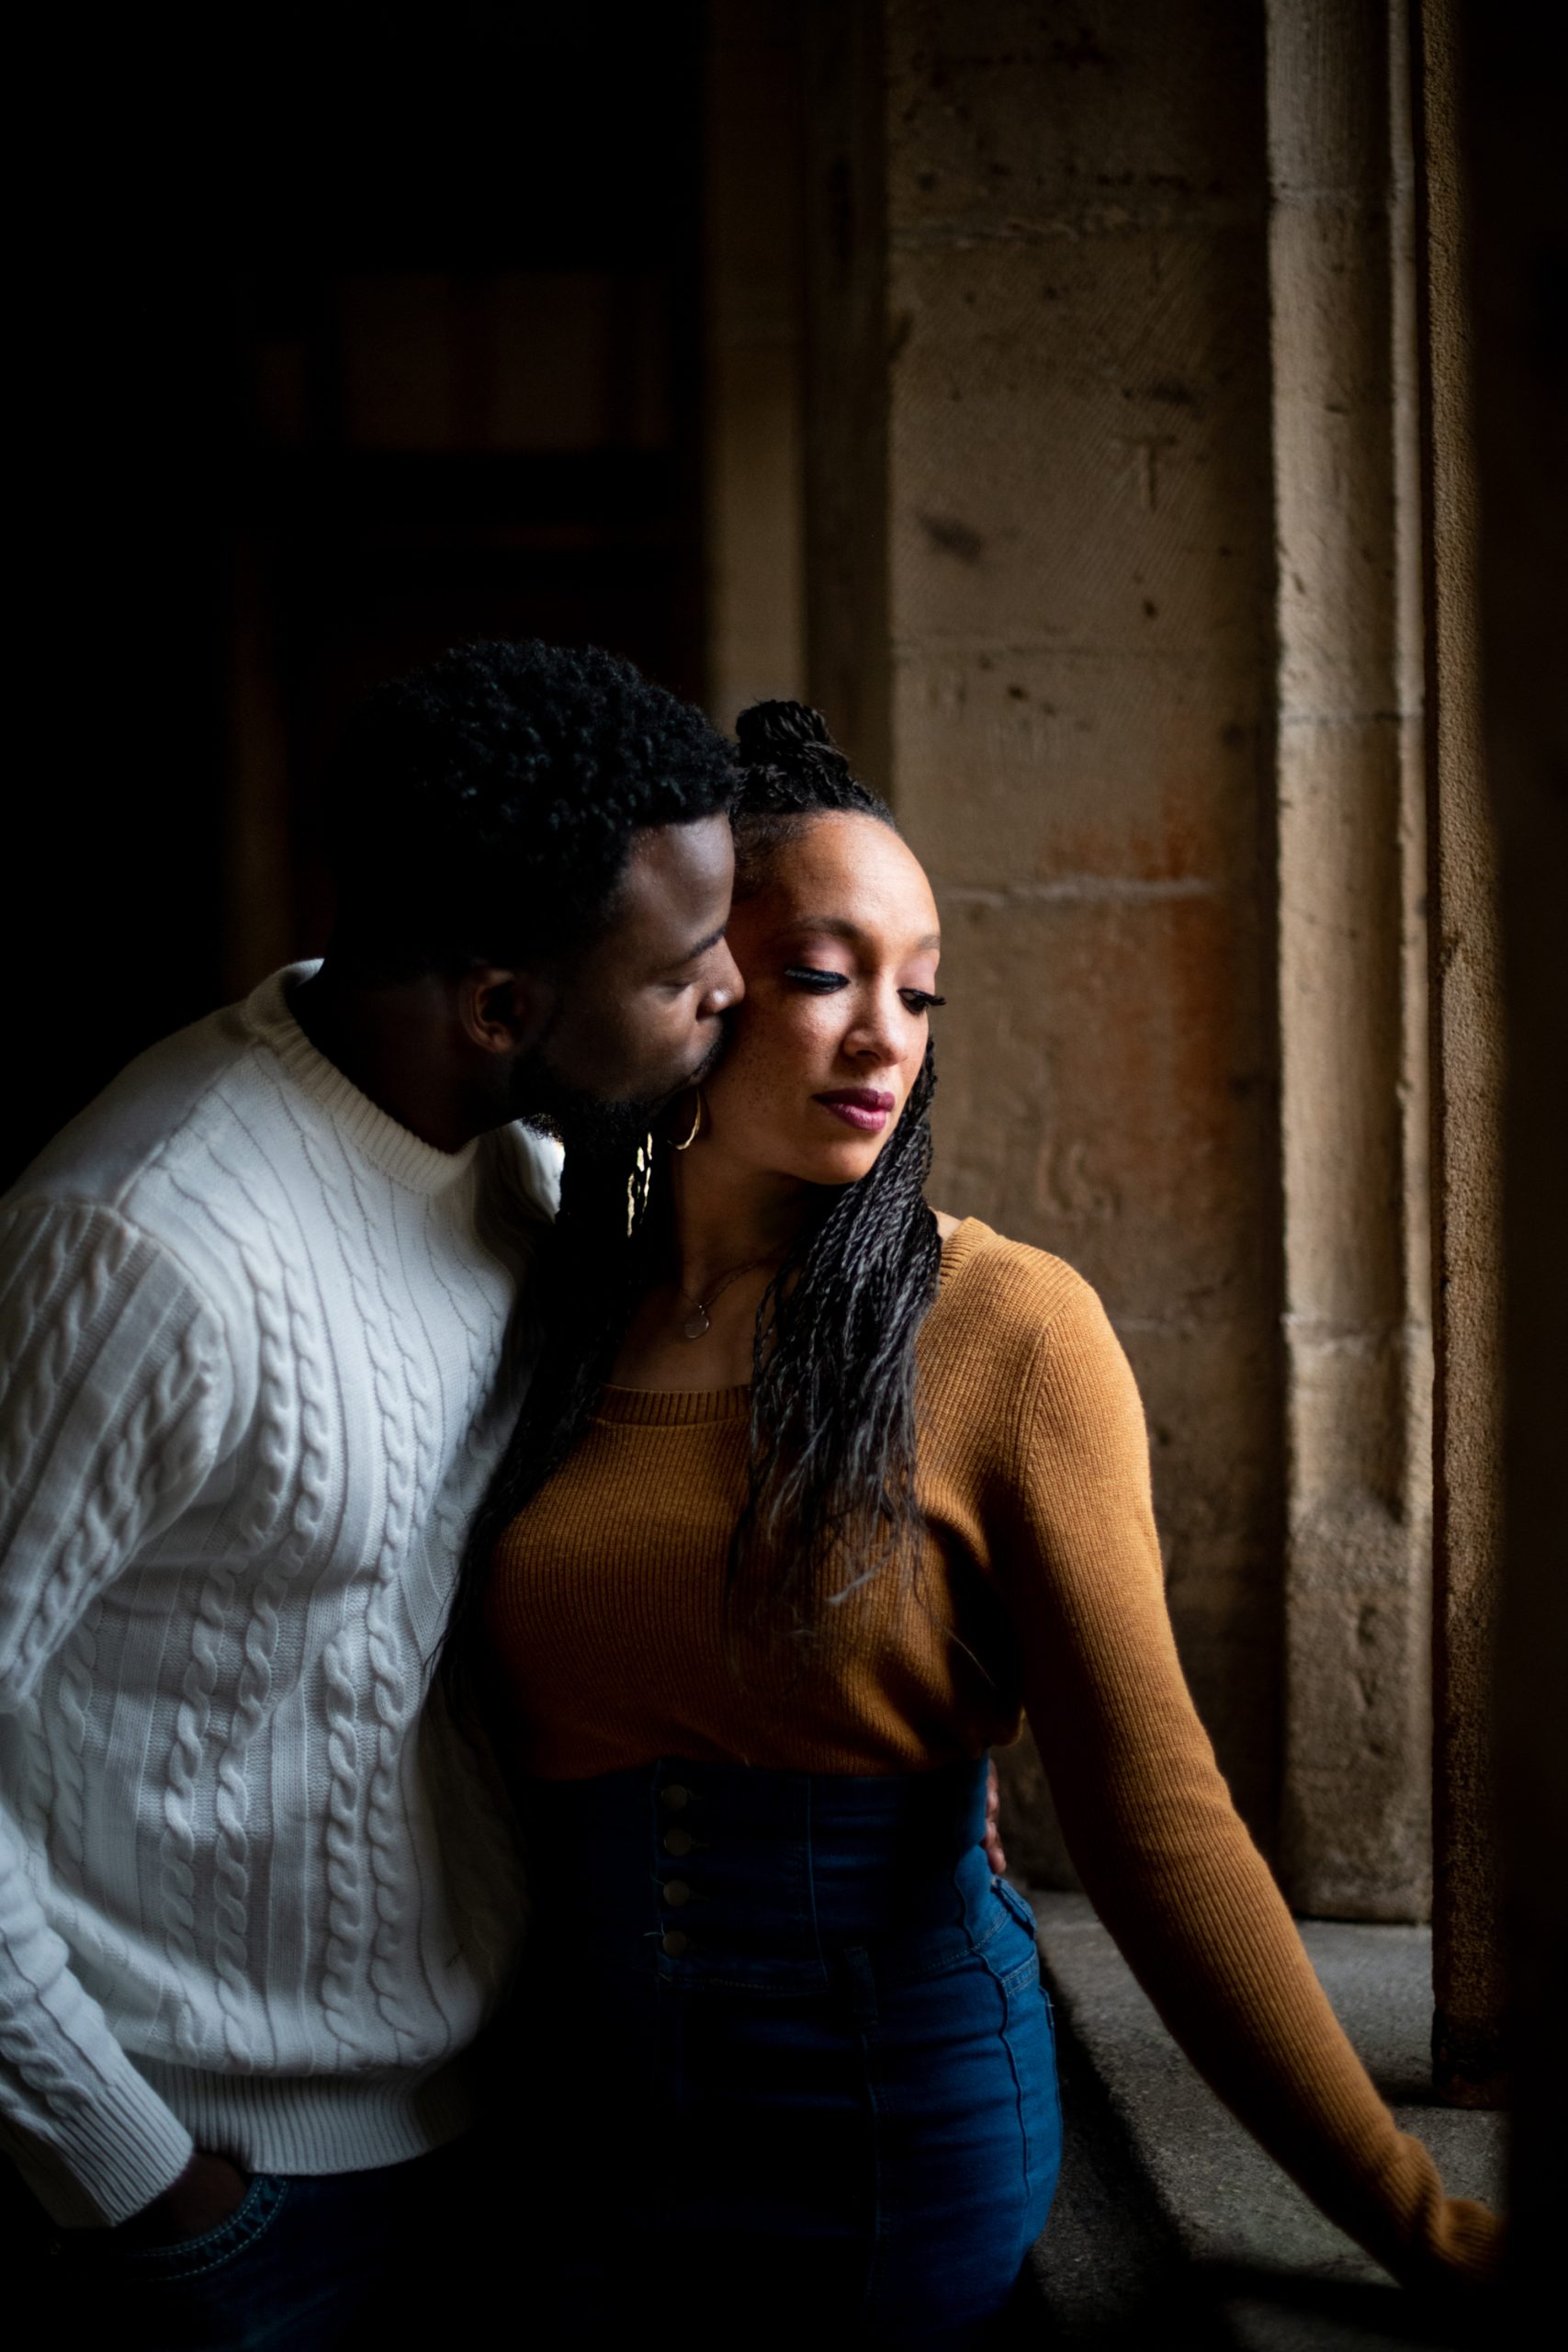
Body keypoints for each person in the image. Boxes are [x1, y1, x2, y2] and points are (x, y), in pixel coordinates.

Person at [469, 701, 1503, 2346]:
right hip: (563, 2143)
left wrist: (1424, 2227)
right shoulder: (550, 1302)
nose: (889, 1034)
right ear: (688, 985)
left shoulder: (1010, 1332)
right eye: (824, 975)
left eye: (918, 986)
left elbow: (1161, 1829)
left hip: (888, 2139)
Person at [0, 640, 746, 2348]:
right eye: (688, 969)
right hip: (204, 2205)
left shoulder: (521, 1160)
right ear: (498, 1002)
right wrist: (135, 2173)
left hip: (473, 2131)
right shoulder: (145, 1251)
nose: (733, 999)